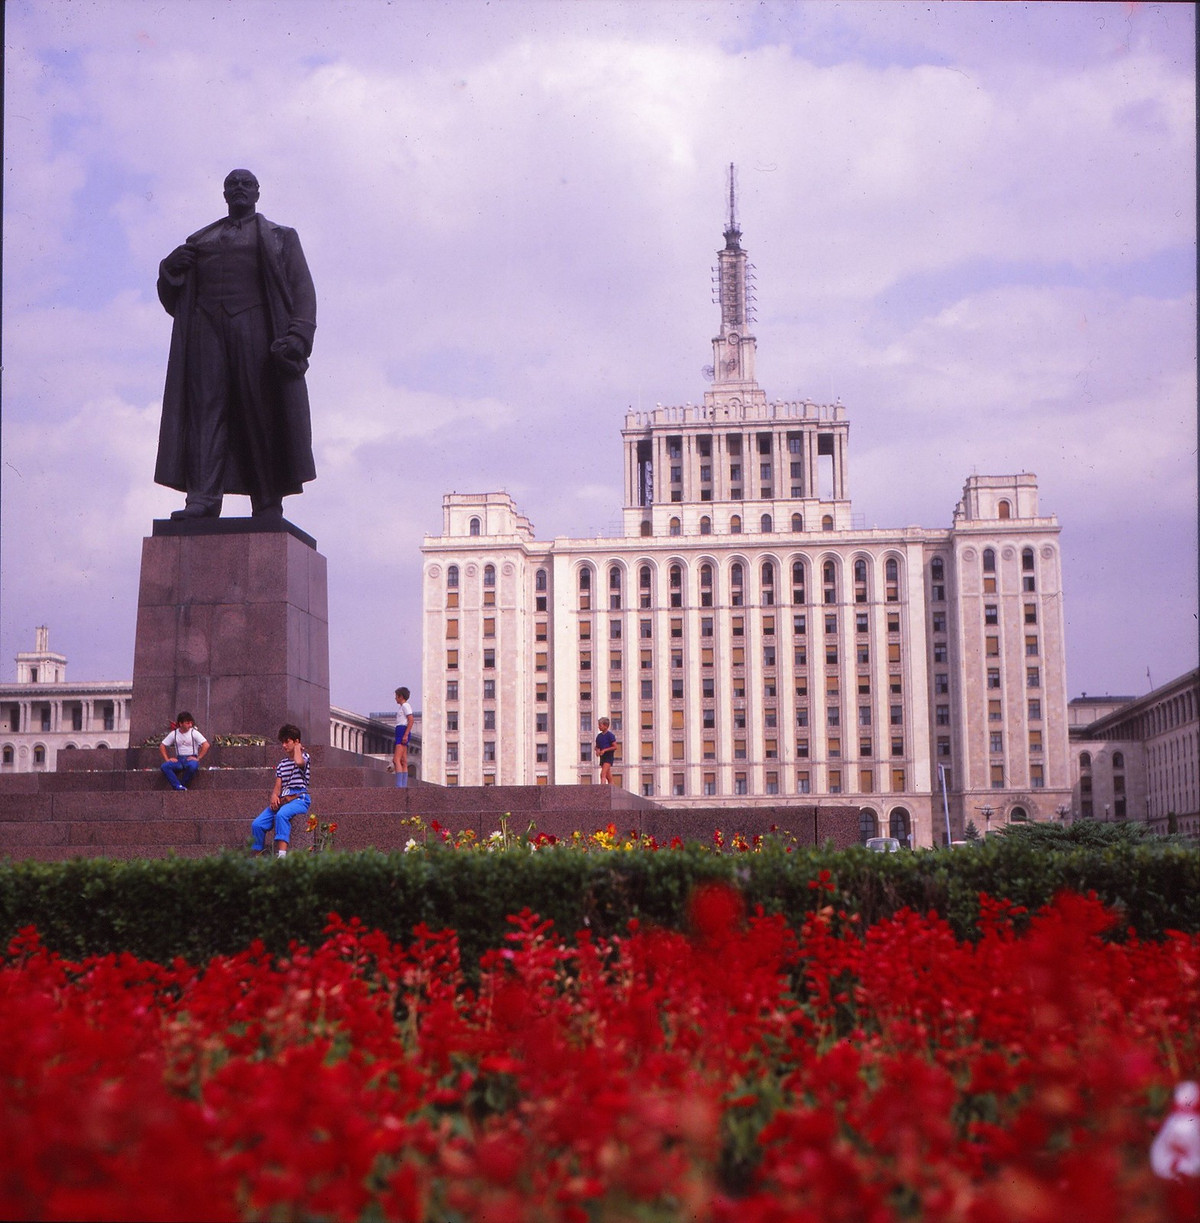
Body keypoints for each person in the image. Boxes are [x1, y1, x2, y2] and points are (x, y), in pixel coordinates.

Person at [155, 169, 317, 521]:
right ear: (224, 193)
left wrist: (299, 336)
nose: (239, 189)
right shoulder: (200, 240)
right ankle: (203, 497)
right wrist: (168, 269)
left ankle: (267, 498)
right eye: (233, 184)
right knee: (205, 413)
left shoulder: (280, 237)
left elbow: (302, 290)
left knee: (260, 411)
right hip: (207, 331)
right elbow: (175, 301)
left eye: (246, 184)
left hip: (256, 328)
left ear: (258, 192)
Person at [251, 724, 311, 858]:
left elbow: (299, 762)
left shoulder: (305, 756)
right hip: (283, 799)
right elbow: (278, 786)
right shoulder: (282, 764)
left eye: (287, 741)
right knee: (257, 824)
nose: (284, 745)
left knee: (281, 815)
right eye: (282, 742)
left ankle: (282, 856)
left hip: (299, 799)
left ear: (296, 741)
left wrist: (297, 748)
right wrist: (274, 796)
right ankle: (257, 857)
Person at [159, 711, 209, 790]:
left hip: (190, 758)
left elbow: (206, 745)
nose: (190, 725)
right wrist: (167, 759)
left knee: (192, 766)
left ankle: (181, 785)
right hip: (179, 759)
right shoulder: (174, 733)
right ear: (181, 723)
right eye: (187, 723)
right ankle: (177, 786)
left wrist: (198, 758)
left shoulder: (194, 733)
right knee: (165, 766)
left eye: (191, 723)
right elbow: (162, 745)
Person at [392, 687, 415, 788]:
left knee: (396, 759)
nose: (395, 698)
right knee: (403, 760)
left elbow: (411, 720)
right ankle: (403, 784)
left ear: (401, 696)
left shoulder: (405, 706)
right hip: (400, 731)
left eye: (396, 696)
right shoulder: (402, 707)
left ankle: (399, 785)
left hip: (402, 731)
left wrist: (405, 734)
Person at [595, 717, 618, 785]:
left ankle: (603, 789)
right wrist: (597, 750)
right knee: (608, 776)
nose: (599, 727)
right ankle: (612, 786)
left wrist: (605, 750)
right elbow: (597, 746)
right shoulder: (599, 736)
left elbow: (615, 746)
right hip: (602, 757)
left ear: (606, 726)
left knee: (603, 774)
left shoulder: (610, 735)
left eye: (600, 725)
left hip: (608, 757)